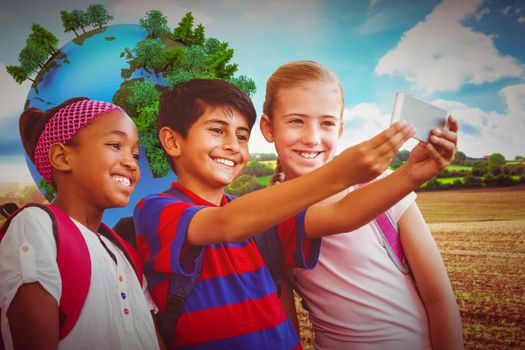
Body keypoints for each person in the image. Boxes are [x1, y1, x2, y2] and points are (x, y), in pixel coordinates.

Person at [133, 78, 457, 349]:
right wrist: (339, 173)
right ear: (172, 141)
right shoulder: (158, 210)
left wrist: (412, 174)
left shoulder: (267, 215)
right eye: (217, 130)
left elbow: (344, 214)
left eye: (242, 136)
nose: (233, 145)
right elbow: (225, 224)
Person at [260, 60, 463, 350]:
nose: (312, 137)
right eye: (296, 120)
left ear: (340, 129)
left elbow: (439, 298)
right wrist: (409, 175)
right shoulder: (267, 215)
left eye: (327, 123)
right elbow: (287, 328)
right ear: (268, 128)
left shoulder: (386, 188)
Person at [0, 98, 162, 350]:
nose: (132, 163)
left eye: (135, 154)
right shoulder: (36, 225)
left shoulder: (126, 253)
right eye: (115, 145)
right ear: (62, 157)